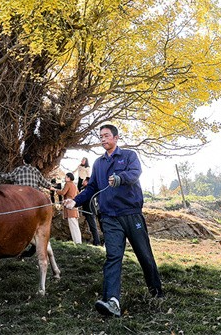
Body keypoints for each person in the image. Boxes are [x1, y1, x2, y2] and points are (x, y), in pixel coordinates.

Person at [64, 124, 164, 318]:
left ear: (116, 138)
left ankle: (156, 292)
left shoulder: (129, 156)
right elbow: (92, 187)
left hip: (131, 214)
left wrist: (120, 177)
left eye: (106, 136)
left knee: (144, 255)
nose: (103, 139)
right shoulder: (99, 163)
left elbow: (135, 173)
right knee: (113, 257)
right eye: (100, 136)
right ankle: (112, 301)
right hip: (109, 218)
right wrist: (75, 201)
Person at [57, 172, 82, 244]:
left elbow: (63, 192)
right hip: (74, 206)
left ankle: (77, 242)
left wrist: (55, 190)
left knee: (73, 226)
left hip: (69, 207)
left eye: (66, 177)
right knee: (75, 225)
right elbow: (78, 194)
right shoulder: (74, 185)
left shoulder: (68, 184)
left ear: (69, 178)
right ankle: (78, 242)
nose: (65, 178)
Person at [80, 176, 102, 246]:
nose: (83, 182)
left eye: (84, 181)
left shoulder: (88, 190)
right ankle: (92, 240)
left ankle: (97, 242)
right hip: (88, 211)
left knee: (93, 227)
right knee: (90, 227)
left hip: (90, 211)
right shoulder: (87, 189)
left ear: (87, 182)